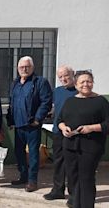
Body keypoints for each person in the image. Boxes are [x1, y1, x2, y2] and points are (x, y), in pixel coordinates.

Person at [58, 70, 109, 208]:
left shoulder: (100, 101)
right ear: (75, 84)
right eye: (82, 81)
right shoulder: (70, 101)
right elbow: (60, 120)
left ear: (93, 83)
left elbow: (107, 124)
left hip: (91, 146)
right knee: (73, 177)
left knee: (86, 179)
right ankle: (75, 204)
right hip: (70, 145)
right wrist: (63, 128)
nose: (86, 84)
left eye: (89, 81)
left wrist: (91, 128)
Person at [7, 56, 52, 192]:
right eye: (21, 67)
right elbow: (12, 102)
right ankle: (23, 176)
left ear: (32, 68)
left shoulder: (40, 82)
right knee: (19, 153)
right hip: (18, 125)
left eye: (27, 66)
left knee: (33, 154)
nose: (24, 69)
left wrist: (37, 119)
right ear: (17, 68)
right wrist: (10, 120)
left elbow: (46, 102)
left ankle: (32, 181)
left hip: (32, 125)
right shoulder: (15, 83)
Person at [43, 66, 77, 201]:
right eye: (60, 77)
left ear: (72, 75)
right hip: (58, 131)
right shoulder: (57, 91)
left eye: (66, 75)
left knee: (73, 164)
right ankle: (58, 190)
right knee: (58, 162)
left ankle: (74, 194)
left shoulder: (79, 91)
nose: (63, 79)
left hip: (74, 133)